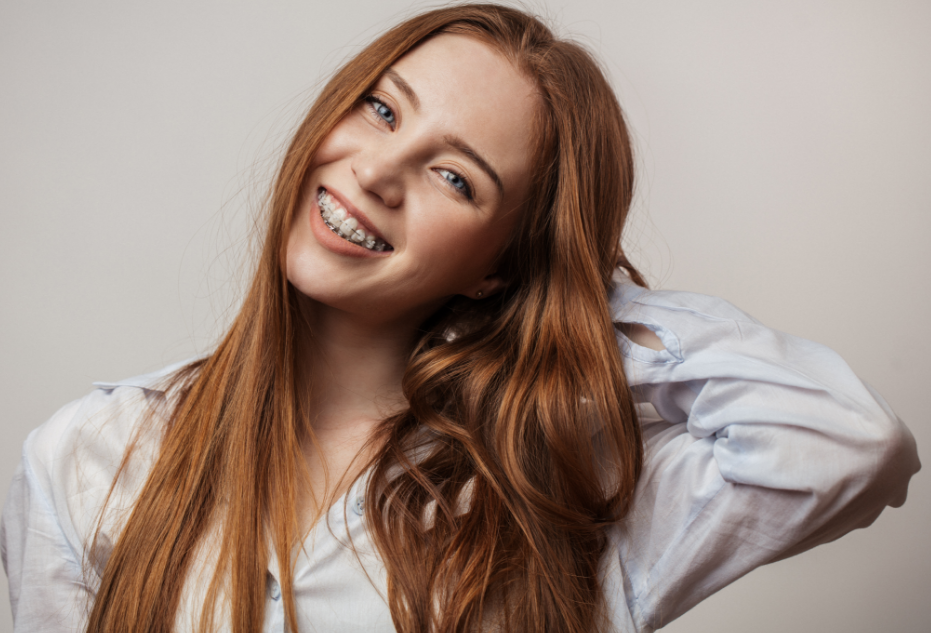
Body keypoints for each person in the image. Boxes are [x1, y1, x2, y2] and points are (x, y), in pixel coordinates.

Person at [0, 3, 920, 632]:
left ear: (499, 264)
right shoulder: (91, 456)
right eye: (379, 109)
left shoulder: (563, 489)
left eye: (454, 177)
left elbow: (841, 438)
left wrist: (561, 296)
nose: (375, 170)